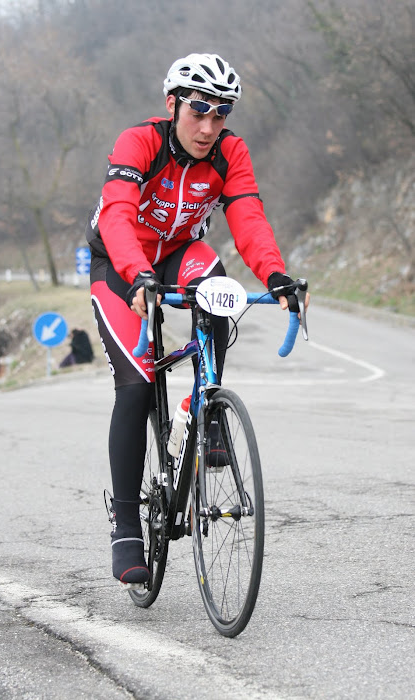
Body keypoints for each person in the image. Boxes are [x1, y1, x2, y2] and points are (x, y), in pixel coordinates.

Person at [85, 53, 310, 586]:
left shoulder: (230, 152)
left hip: (179, 253)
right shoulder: (138, 142)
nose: (209, 127)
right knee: (137, 385)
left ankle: (203, 409)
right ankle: (125, 524)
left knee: (218, 285)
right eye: (199, 111)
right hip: (120, 265)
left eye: (221, 113)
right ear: (173, 105)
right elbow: (117, 213)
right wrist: (137, 273)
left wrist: (275, 275)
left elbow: (248, 216)